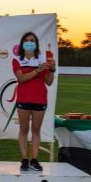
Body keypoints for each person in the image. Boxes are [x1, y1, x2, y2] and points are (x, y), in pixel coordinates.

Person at [12, 32, 56, 171]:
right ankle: (24, 159)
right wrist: (38, 70)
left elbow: (48, 82)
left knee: (36, 130)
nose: (29, 42)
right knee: (23, 130)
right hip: (23, 98)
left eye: (32, 40)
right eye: (26, 40)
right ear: (22, 43)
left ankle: (34, 159)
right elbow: (21, 79)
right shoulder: (17, 59)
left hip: (40, 98)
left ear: (36, 43)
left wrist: (52, 69)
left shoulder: (43, 59)